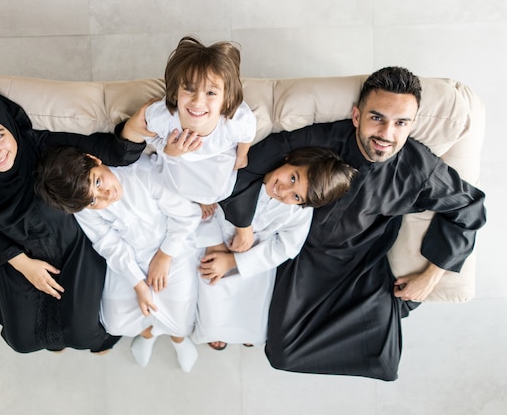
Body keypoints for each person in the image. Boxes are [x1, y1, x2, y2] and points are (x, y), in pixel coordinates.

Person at [220, 66, 487, 381]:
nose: (387, 134)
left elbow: (469, 207)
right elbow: (247, 168)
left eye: (400, 123)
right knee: (283, 354)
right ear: (357, 115)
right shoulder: (318, 139)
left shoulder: (418, 169)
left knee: (384, 365)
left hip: (360, 260)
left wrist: (432, 274)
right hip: (302, 253)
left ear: (411, 125)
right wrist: (243, 225)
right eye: (377, 118)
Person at [0, 86, 146, 353]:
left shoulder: (43, 146)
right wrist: (22, 263)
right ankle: (48, 334)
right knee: (22, 343)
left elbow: (110, 152)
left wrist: (138, 128)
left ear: (9, 125)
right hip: (19, 256)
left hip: (74, 250)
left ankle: (78, 337)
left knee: (83, 336)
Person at [35, 148, 202, 373]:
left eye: (98, 182)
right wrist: (137, 283)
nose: (105, 195)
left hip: (173, 245)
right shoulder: (83, 208)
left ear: (95, 160)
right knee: (116, 319)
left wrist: (164, 256)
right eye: (94, 201)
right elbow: (108, 242)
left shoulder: (142, 174)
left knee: (180, 312)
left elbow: (188, 216)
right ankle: (148, 333)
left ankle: (178, 339)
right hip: (130, 256)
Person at [191, 148, 356, 350]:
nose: (284, 191)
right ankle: (215, 326)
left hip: (253, 255)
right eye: (293, 178)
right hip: (216, 239)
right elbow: (211, 208)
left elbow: (286, 247)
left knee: (253, 293)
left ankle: (243, 327)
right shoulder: (248, 177)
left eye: (296, 197)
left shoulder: (298, 213)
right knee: (211, 281)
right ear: (291, 160)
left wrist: (234, 262)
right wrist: (215, 247)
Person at [144, 36, 257, 220]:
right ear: (175, 91)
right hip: (179, 159)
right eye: (188, 89)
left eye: (211, 93)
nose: (198, 101)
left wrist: (242, 155)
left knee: (216, 187)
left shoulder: (236, 121)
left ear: (226, 98)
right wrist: (167, 150)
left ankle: (206, 199)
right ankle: (192, 199)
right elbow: (148, 133)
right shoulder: (163, 117)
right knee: (178, 186)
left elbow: (247, 134)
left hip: (217, 158)